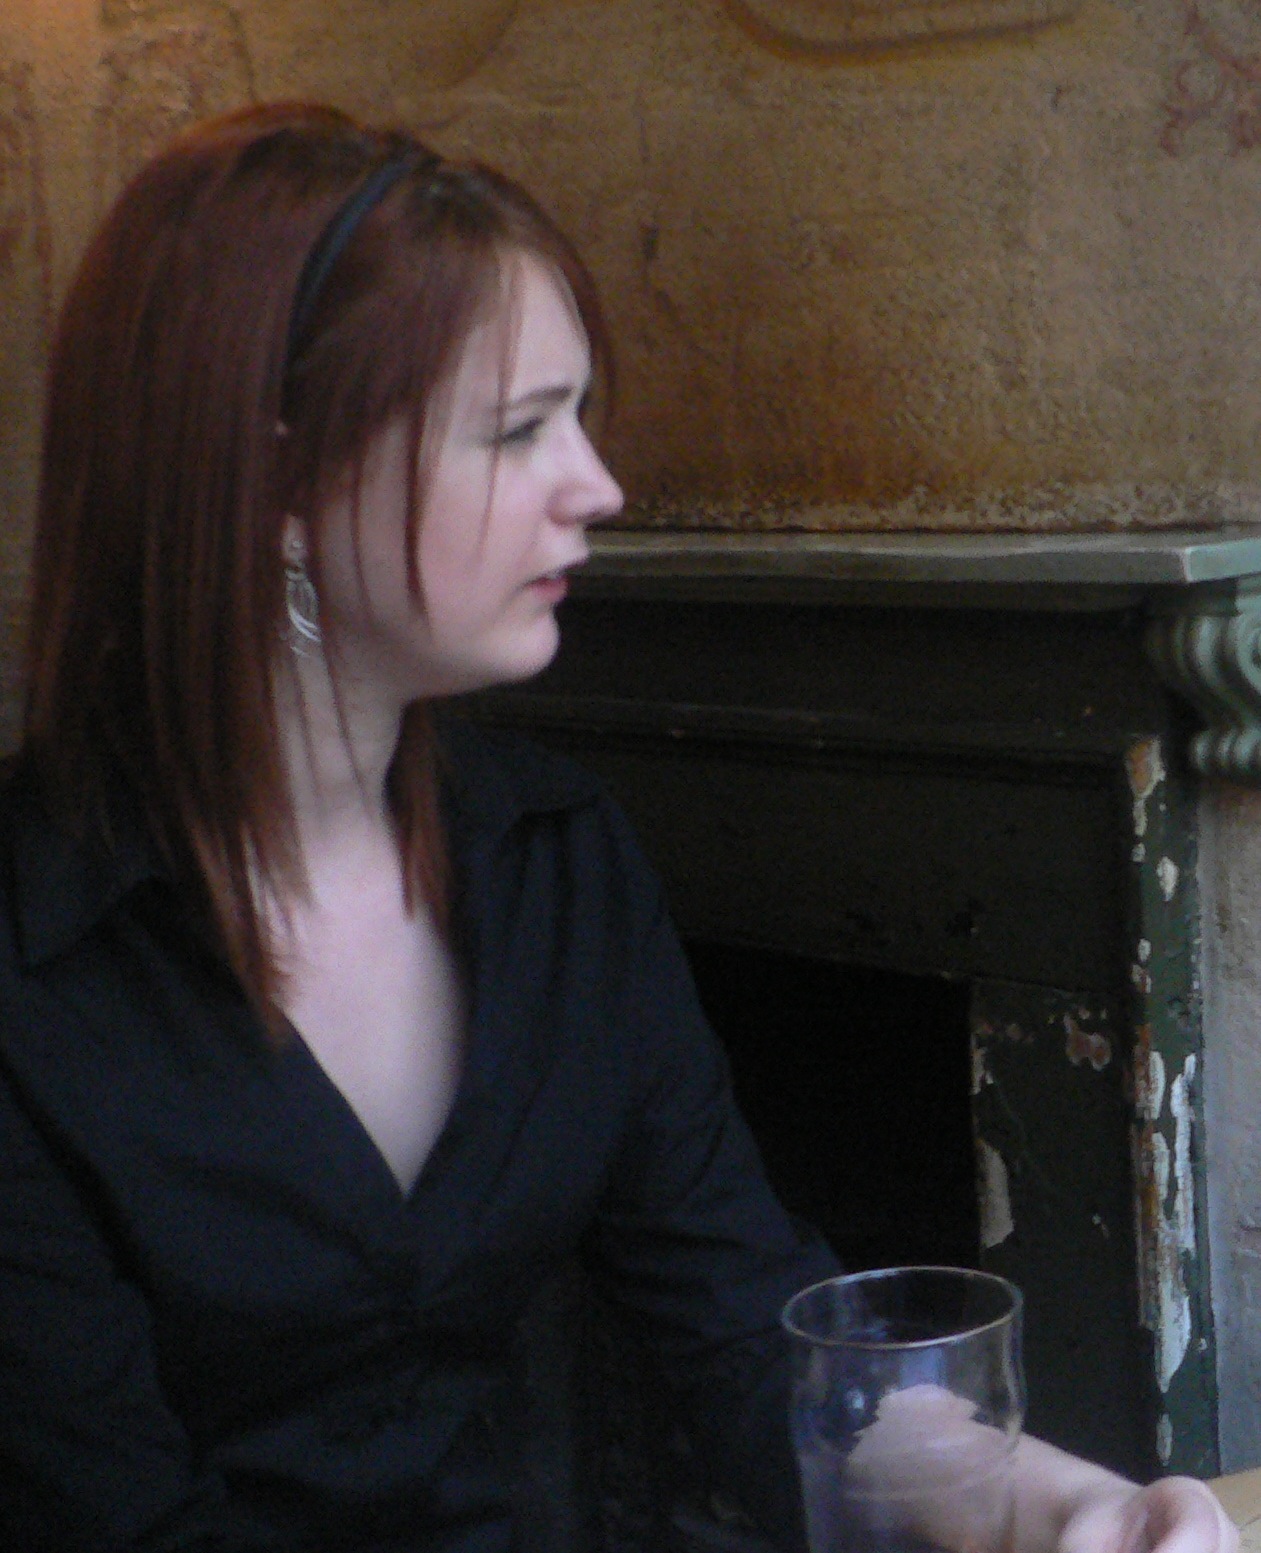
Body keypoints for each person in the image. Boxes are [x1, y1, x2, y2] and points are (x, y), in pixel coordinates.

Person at [0, 101, 1237, 1553]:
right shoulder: (34, 965)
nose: (597, 487)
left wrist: (1063, 1500)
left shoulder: (554, 863)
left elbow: (742, 1328)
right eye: (521, 430)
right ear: (275, 478)